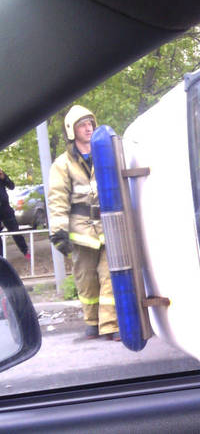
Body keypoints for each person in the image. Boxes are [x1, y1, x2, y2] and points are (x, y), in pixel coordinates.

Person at [48, 105, 119, 340]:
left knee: (109, 274)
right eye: (82, 125)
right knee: (86, 278)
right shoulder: (62, 164)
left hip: (108, 225)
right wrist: (59, 232)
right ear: (72, 130)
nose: (88, 128)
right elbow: (57, 199)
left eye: (90, 123)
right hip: (81, 231)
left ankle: (110, 325)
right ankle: (91, 321)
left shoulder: (106, 153)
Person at [0, 168, 29, 259]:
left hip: (5, 208)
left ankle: (25, 251)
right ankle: (1, 258)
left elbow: (11, 186)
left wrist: (4, 178)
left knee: (15, 230)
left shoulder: (1, 174)